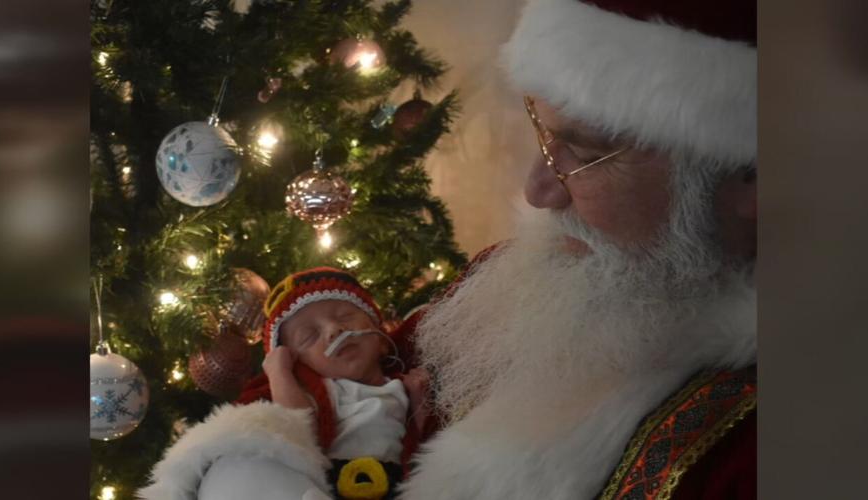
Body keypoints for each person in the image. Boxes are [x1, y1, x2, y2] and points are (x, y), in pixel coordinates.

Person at [398, 0, 757, 499]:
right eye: (543, 137)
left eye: (584, 154)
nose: (538, 191)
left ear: (752, 179)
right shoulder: (548, 268)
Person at [139, 267, 430, 500]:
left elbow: (415, 444)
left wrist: (418, 401)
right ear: (301, 364)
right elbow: (296, 425)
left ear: (381, 341)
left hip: (387, 483)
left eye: (345, 317)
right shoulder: (328, 390)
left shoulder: (397, 387)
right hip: (330, 481)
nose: (334, 330)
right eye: (310, 336)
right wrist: (279, 372)